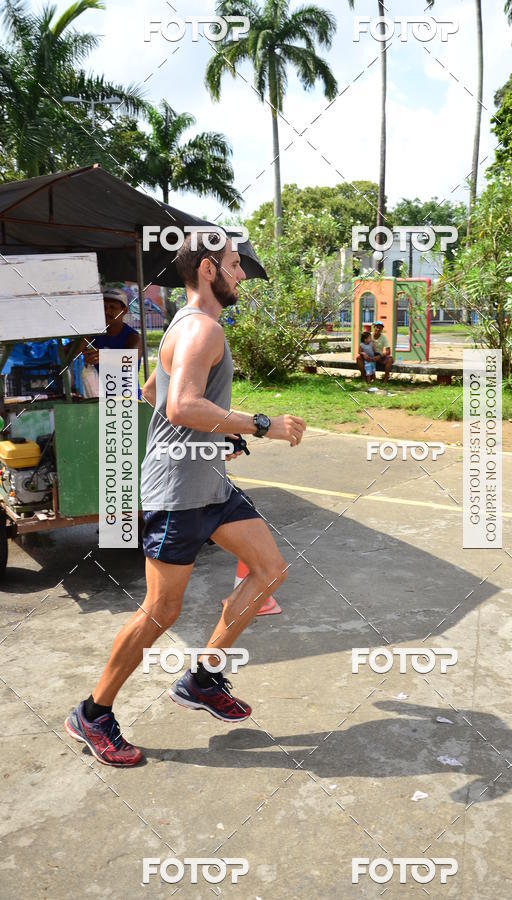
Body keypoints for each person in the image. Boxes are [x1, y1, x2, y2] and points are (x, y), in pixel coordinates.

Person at [64, 233, 306, 767]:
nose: (241, 274)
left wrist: (214, 435)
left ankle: (203, 676)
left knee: (269, 569)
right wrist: (261, 424)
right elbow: (180, 406)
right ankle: (93, 713)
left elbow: (154, 394)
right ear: (206, 270)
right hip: (178, 493)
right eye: (235, 265)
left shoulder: (181, 325)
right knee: (161, 610)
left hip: (209, 485)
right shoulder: (202, 328)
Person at [72, 285, 143, 397]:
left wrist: (103, 357)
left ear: (124, 310)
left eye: (112, 308)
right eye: (103, 307)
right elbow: (73, 352)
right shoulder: (93, 335)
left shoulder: (133, 337)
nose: (106, 311)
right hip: (99, 398)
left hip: (127, 400)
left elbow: (131, 358)